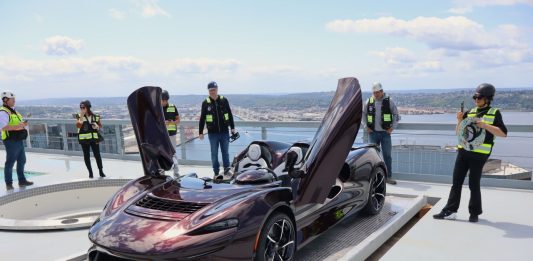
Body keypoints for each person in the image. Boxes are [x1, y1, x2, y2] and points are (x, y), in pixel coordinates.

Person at [434, 83, 507, 223]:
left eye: (479, 97)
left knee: (474, 184)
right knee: (456, 182)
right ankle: (450, 211)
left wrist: (485, 125)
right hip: (463, 152)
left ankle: (474, 213)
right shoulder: (471, 112)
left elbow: (503, 133)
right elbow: (458, 132)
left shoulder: (494, 113)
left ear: (488, 99)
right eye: (475, 97)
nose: (476, 100)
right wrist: (459, 120)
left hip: (479, 155)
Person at [362, 82, 400, 185]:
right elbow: (363, 115)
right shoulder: (368, 102)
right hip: (372, 133)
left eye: (377, 92)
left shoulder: (389, 102)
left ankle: (388, 177)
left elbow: (396, 116)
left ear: (382, 91)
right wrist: (366, 127)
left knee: (387, 156)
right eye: (374, 93)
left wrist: (392, 128)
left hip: (385, 134)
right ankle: (374, 178)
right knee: (373, 157)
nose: (376, 94)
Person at [199, 81, 236, 177]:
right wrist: (200, 132)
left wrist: (232, 127)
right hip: (212, 133)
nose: (212, 92)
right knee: (214, 154)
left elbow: (230, 114)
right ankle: (216, 172)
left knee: (225, 153)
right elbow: (202, 118)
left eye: (214, 90)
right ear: (208, 91)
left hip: (224, 132)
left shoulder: (224, 100)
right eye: (210, 90)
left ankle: (227, 170)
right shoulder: (205, 103)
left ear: (217, 89)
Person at [0, 91, 34, 190]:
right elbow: (4, 127)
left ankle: (22, 181)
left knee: (22, 160)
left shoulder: (14, 111)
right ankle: (9, 184)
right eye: (12, 99)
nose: (14, 101)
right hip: (10, 140)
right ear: (5, 100)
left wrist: (23, 123)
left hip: (18, 139)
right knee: (10, 162)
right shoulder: (3, 112)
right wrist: (20, 126)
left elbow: (17, 123)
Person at [76, 100, 105, 178]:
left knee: (97, 155)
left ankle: (101, 171)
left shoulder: (95, 117)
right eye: (81, 107)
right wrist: (81, 116)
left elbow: (100, 126)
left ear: (88, 107)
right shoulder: (79, 116)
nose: (82, 109)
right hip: (84, 140)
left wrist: (97, 126)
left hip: (94, 139)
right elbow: (78, 126)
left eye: (83, 107)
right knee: (86, 156)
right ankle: (90, 172)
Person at [161, 90, 180, 177]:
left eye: (162, 100)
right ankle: (161, 174)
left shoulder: (173, 107)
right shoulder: (158, 109)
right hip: (161, 136)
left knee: (173, 154)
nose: (161, 102)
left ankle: (176, 174)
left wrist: (172, 122)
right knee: (160, 154)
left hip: (171, 134)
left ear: (166, 100)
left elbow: (178, 120)